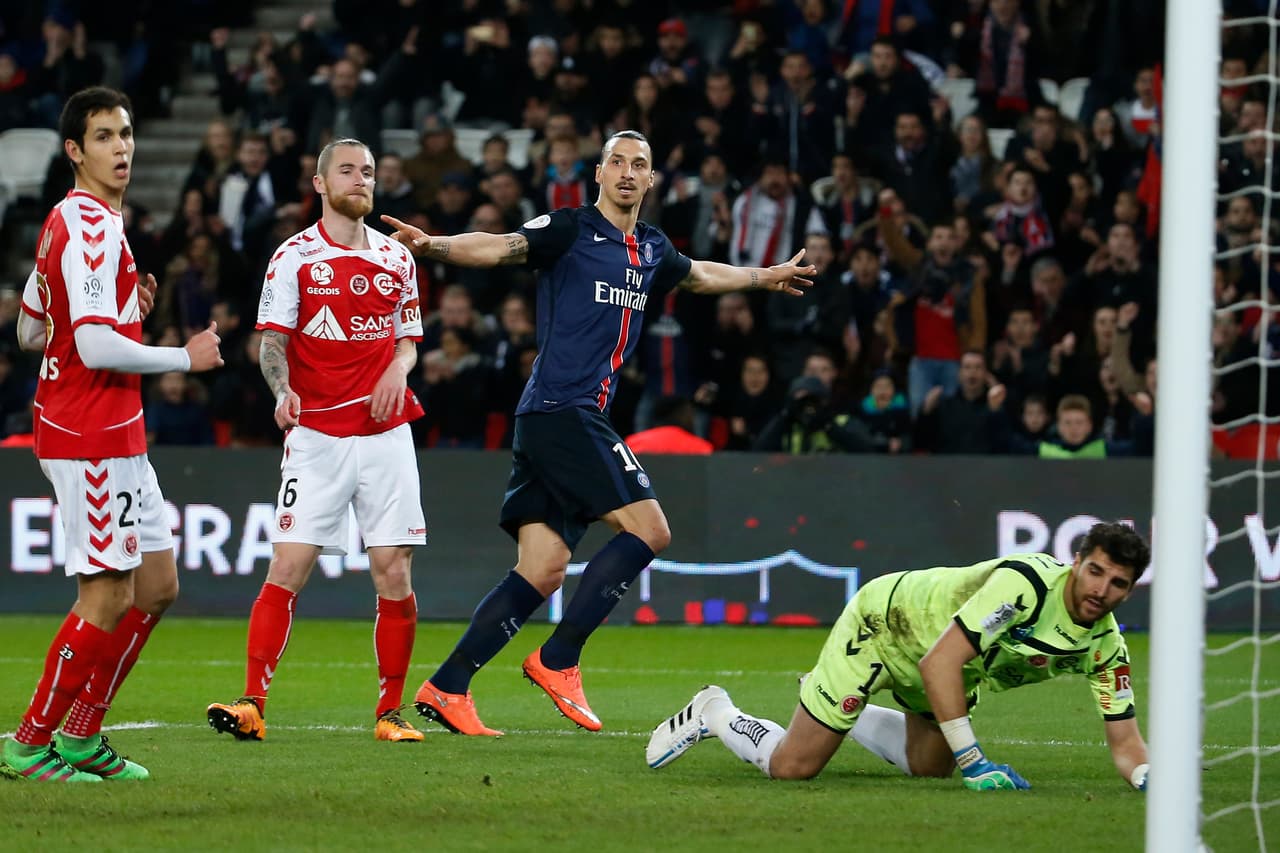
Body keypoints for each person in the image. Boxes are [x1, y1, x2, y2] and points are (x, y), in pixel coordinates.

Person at [380, 130, 814, 735]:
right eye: (617, 162)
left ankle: (448, 686)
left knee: (543, 568)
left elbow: (699, 276)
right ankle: (559, 658)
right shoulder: (569, 229)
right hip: (563, 410)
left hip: (557, 417)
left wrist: (763, 277)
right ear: (600, 173)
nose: (628, 172)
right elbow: (502, 246)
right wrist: (434, 245)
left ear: (652, 179)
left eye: (640, 164)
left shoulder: (653, 249)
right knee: (650, 529)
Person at [4, 86, 223, 782]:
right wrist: (181, 357)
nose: (121, 147)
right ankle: (28, 744)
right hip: (88, 430)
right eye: (103, 136)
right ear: (74, 150)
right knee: (106, 597)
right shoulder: (93, 227)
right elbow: (94, 346)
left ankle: (81, 734)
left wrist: (124, 308)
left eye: (125, 133)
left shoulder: (69, 220)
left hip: (114, 428)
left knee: (156, 585)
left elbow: (31, 329)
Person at [647, 522, 1152, 795]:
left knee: (931, 768)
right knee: (793, 768)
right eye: (1095, 571)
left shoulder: (1106, 647)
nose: (1101, 589)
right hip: (886, 625)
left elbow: (1126, 742)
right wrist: (975, 762)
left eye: (1118, 583)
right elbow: (939, 663)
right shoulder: (1027, 585)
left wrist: (1149, 778)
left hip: (946, 663)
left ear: (1130, 591)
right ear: (1076, 563)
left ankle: (838, 704)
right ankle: (716, 710)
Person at [206, 138, 428, 744]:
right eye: (348, 171)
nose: (361, 180)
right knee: (289, 564)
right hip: (317, 434)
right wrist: (282, 391)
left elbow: (408, 341)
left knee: (394, 571)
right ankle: (252, 704)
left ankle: (390, 713)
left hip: (385, 433)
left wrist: (398, 368)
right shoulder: (294, 257)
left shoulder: (397, 257)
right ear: (321, 184)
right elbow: (272, 343)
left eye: (369, 172)